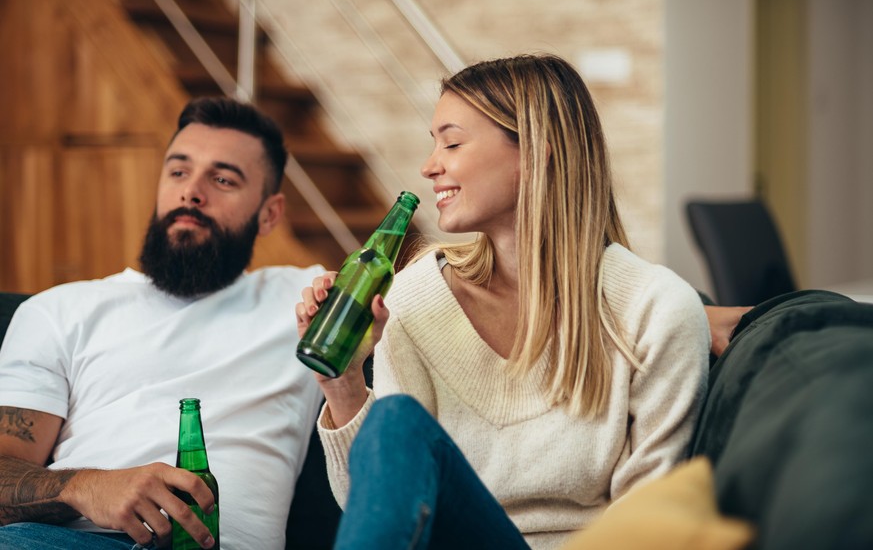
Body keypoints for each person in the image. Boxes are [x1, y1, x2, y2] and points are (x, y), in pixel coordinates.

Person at [296, 54, 713, 550]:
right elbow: (378, 513)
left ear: (538, 151)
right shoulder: (414, 295)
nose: (430, 166)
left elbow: (645, 526)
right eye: (434, 144)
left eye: (452, 142)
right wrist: (343, 384)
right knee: (395, 423)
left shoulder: (657, 310)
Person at [0, 97, 324, 550]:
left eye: (223, 179)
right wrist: (86, 488)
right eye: (178, 171)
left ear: (269, 214)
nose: (192, 191)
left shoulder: (305, 298)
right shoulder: (58, 311)